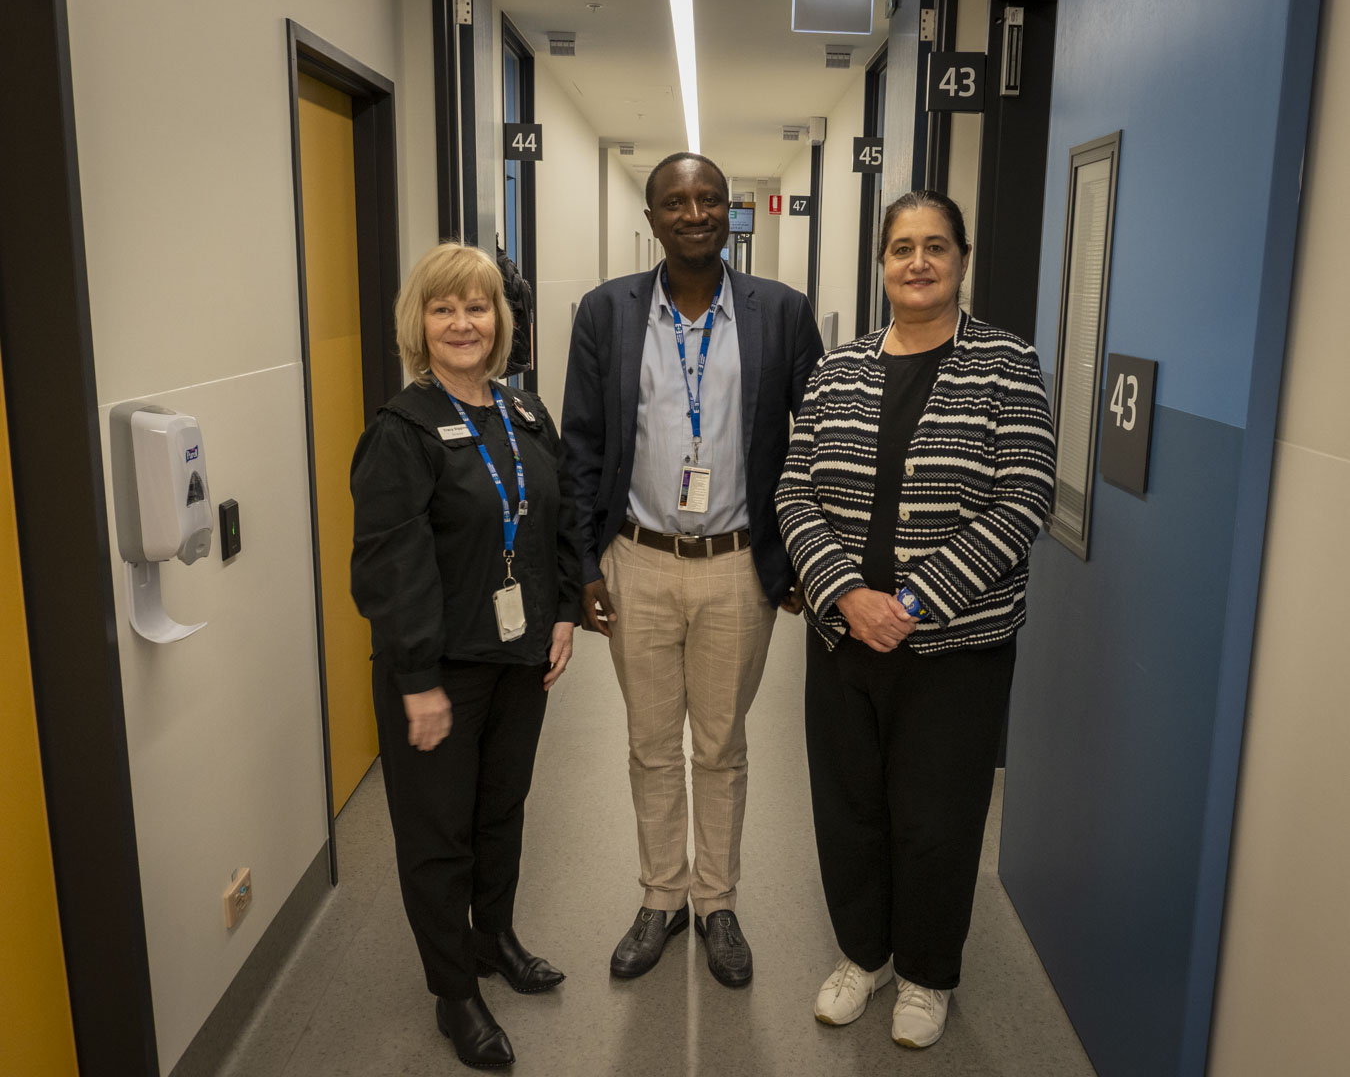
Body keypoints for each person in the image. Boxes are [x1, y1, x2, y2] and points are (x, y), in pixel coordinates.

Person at [775, 191, 1056, 1049]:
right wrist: (845, 597)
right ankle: (864, 956)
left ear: (963, 260)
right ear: (884, 265)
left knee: (937, 815)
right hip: (843, 638)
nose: (918, 262)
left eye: (936, 246)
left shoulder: (1009, 364)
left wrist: (916, 601)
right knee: (849, 804)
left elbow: (1025, 496)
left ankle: (928, 973)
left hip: (957, 648)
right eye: (902, 248)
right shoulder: (840, 370)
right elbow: (794, 489)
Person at [561, 152, 823, 987]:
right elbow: (582, 445)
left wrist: (796, 564)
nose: (696, 211)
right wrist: (583, 566)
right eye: (677, 200)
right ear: (652, 219)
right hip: (637, 559)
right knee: (649, 745)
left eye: (710, 198)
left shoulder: (781, 311)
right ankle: (659, 897)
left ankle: (717, 902)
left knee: (721, 746)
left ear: (729, 213)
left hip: (736, 566)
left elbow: (812, 443)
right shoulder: (605, 313)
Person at [350, 242, 582, 1069]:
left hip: (521, 658)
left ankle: (496, 939)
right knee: (437, 831)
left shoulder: (523, 417)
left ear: (501, 321)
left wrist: (561, 616)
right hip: (440, 671)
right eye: (443, 308)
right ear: (420, 322)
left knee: (500, 811)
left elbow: (561, 519)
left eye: (477, 308)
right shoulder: (401, 431)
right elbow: (391, 563)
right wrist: (416, 680)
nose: (462, 324)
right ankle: (454, 991)